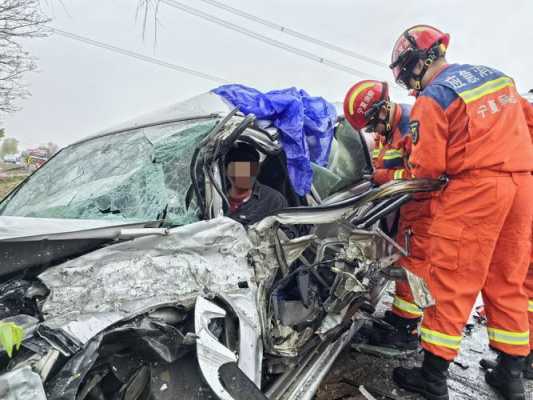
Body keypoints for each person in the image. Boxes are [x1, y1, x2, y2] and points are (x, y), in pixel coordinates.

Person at [388, 24, 533, 400]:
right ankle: (510, 373)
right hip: (522, 186)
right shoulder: (499, 79)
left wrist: (392, 175)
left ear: (418, 62)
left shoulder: (433, 98)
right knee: (509, 281)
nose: (409, 86)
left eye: (407, 75)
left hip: (476, 191)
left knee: (452, 281)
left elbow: (428, 171)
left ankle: (433, 378)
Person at [343, 80, 431, 350]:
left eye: (371, 125)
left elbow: (422, 175)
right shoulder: (392, 128)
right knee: (409, 264)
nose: (373, 131)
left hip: (425, 210)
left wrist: (381, 177)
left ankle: (405, 332)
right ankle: (401, 318)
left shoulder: (412, 125)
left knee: (415, 267)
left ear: (382, 109)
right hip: (408, 210)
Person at [225, 142, 287, 226]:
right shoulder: (212, 199)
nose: (243, 173)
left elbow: (287, 234)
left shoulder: (273, 200)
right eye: (237, 168)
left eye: (249, 168)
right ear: (226, 170)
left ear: (258, 170)